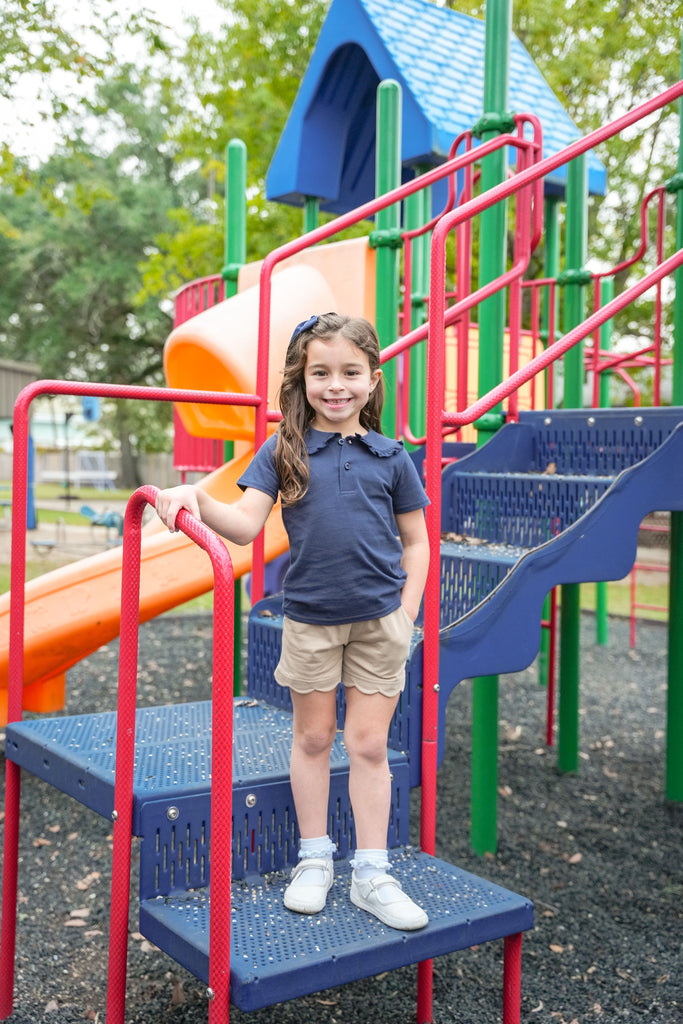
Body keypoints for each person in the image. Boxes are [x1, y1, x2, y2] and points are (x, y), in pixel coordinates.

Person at [155, 312, 430, 930]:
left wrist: (406, 611)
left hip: (380, 621)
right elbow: (247, 527)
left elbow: (417, 542)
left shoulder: (392, 456)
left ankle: (372, 873)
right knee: (311, 738)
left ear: (373, 378)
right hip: (310, 621)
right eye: (321, 373)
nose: (337, 385)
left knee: (366, 745)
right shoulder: (285, 449)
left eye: (351, 372)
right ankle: (315, 861)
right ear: (302, 380)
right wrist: (195, 497)